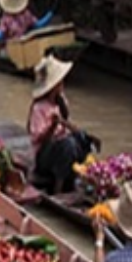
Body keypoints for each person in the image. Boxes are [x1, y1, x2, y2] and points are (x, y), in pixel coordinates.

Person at [27, 55, 96, 194]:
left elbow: (68, 124)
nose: (62, 83)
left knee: (83, 140)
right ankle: (58, 188)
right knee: (68, 145)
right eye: (60, 81)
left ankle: (76, 176)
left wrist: (80, 134)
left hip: (60, 149)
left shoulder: (61, 101)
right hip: (44, 156)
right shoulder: (39, 108)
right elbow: (39, 139)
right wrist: (52, 126)